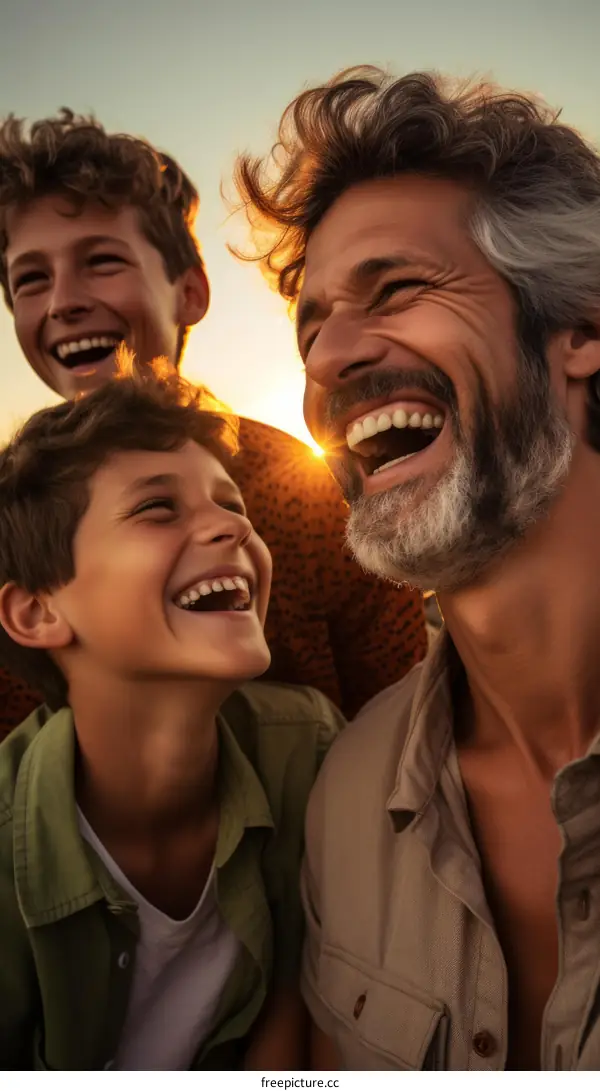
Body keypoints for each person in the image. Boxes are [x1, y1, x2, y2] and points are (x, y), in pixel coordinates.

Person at [233, 66, 600, 1070]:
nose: (328, 362)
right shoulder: (347, 793)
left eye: (396, 289)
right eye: (311, 331)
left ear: (582, 328)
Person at [0, 111, 427, 735]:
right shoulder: (12, 528)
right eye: (31, 279)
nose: (63, 301)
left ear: (191, 294)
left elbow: (404, 713)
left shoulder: (309, 493)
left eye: (102, 262)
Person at [0, 351, 343, 1070]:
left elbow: (301, 990)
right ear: (36, 611)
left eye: (234, 505)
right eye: (158, 506)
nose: (233, 530)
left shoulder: (308, 750)